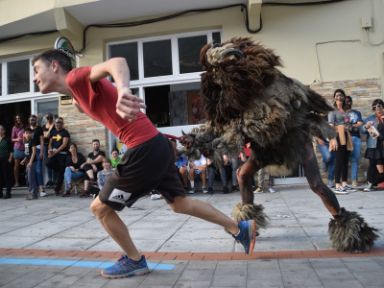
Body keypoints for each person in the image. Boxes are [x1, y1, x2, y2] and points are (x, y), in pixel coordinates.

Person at [32, 50, 255, 279]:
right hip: (156, 146)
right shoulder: (77, 94)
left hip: (144, 149)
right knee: (180, 204)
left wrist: (123, 91)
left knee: (100, 208)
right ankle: (239, 229)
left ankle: (134, 260)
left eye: (37, 70)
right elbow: (95, 102)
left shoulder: (75, 77)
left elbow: (117, 62)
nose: (34, 78)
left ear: (55, 66)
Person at [328, 89, 354, 195]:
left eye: (341, 95)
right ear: (334, 97)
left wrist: (349, 126)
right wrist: (332, 139)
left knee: (345, 160)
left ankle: (344, 183)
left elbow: (348, 123)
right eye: (337, 95)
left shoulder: (346, 110)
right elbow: (330, 125)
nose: (339, 97)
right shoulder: (332, 111)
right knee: (339, 160)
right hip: (338, 136)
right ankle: (337, 185)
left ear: (344, 97)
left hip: (346, 135)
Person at [362, 99, 384, 192]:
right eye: (376, 106)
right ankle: (371, 183)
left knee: (380, 169)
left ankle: (372, 182)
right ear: (373, 108)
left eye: (380, 106)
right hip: (373, 146)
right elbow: (362, 130)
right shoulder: (370, 118)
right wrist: (366, 127)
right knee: (372, 165)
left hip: (382, 146)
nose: (378, 108)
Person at [46, 117, 70, 195]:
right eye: (56, 122)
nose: (58, 123)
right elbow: (50, 143)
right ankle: (59, 171)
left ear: (62, 124)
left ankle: (57, 189)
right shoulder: (53, 132)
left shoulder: (65, 132)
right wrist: (50, 150)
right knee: (48, 163)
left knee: (61, 172)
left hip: (62, 154)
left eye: (59, 122)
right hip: (53, 153)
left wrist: (55, 152)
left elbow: (64, 144)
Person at [344, 96, 364, 187]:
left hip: (356, 137)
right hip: (345, 138)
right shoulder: (341, 113)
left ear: (351, 102)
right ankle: (343, 181)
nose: (347, 103)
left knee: (355, 159)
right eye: (346, 101)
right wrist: (352, 125)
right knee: (343, 159)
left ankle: (354, 180)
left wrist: (350, 126)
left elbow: (360, 123)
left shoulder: (357, 112)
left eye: (349, 101)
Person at [29, 114, 47, 197]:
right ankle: (33, 189)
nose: (32, 121)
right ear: (29, 121)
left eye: (33, 119)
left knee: (38, 170)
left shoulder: (39, 129)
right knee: (31, 171)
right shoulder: (28, 129)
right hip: (30, 151)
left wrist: (41, 152)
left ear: (36, 120)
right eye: (31, 119)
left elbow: (42, 141)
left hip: (38, 150)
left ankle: (41, 189)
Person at [21, 128, 38, 200]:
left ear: (31, 134)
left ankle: (33, 194)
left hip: (32, 162)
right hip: (28, 163)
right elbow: (27, 153)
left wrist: (30, 162)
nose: (27, 134)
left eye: (29, 133)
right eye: (26, 133)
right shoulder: (25, 142)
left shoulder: (32, 141)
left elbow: (34, 152)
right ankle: (32, 192)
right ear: (24, 134)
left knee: (31, 178)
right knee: (27, 178)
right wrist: (24, 160)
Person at [11, 114, 25, 187]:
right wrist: (17, 139)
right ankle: (16, 182)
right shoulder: (14, 128)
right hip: (17, 148)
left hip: (25, 147)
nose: (18, 119)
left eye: (19, 118)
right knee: (16, 166)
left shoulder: (25, 126)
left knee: (27, 164)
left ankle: (28, 180)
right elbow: (12, 139)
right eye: (16, 118)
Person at [0, 125, 13, 199]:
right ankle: (0, 193)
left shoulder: (7, 139)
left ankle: (8, 193)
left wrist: (10, 159)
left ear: (3, 131)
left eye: (0, 129)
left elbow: (11, 150)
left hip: (6, 160)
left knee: (7, 176)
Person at [43, 113, 55, 187]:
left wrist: (52, 126)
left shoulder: (55, 125)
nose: (49, 119)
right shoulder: (44, 126)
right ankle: (50, 179)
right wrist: (50, 128)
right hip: (45, 145)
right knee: (47, 162)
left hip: (53, 145)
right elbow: (45, 136)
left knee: (52, 161)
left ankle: (54, 179)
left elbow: (53, 135)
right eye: (47, 118)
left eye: (50, 117)